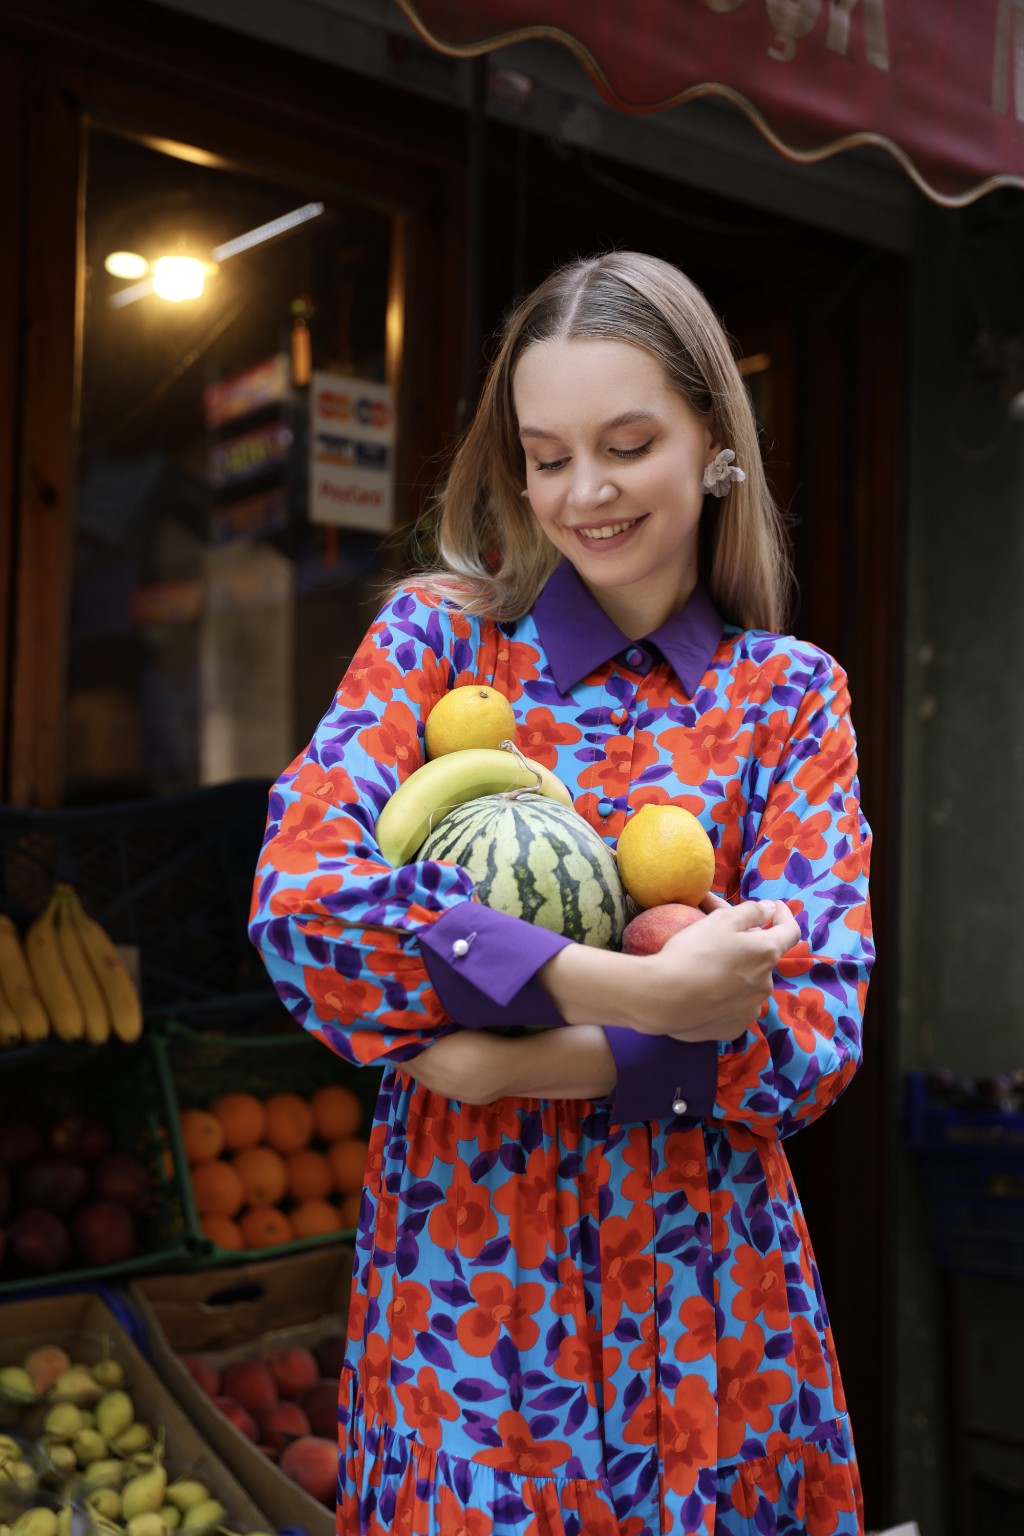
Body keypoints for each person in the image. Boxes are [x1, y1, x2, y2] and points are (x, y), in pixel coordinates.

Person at [249, 250, 873, 1536]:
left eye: (627, 443)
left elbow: (809, 1043)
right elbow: (304, 915)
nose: (582, 493)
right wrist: (630, 990)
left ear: (713, 441)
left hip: (708, 1315)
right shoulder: (436, 647)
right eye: (545, 457)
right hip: (467, 1301)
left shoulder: (786, 700)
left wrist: (514, 1064)